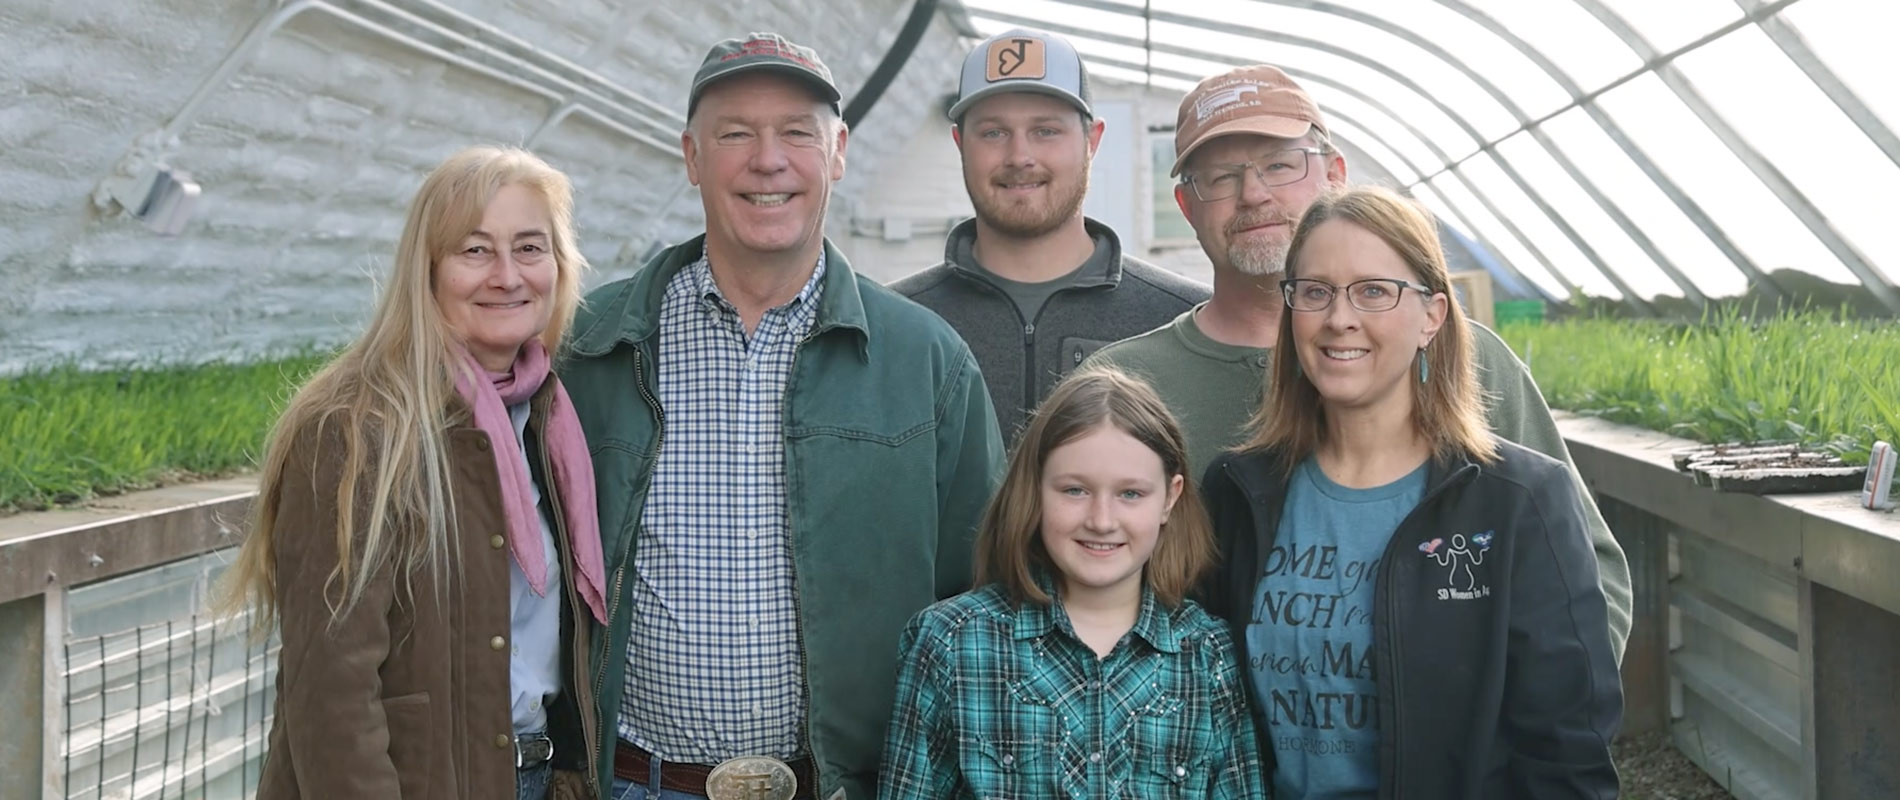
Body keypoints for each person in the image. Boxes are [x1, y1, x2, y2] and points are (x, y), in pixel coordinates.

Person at [556, 32, 1006, 800]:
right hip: (634, 783)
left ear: (836, 154)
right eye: (735, 133)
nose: (769, 160)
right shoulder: (593, 346)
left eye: (797, 132)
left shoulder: (925, 360)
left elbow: (983, 597)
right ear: (693, 158)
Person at [1086, 65, 1632, 660]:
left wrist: (1512, 738)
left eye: (1279, 164)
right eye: (1220, 177)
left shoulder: (1463, 360)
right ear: (1187, 206)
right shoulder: (1127, 388)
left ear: (1335, 175)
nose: (1254, 194)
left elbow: (1586, 576)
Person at [1200, 186, 1622, 797]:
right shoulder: (1240, 490)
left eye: (1374, 291)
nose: (1339, 317)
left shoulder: (1516, 500)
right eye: (1314, 291)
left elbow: (1566, 752)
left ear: (1432, 316)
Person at [219, 146, 608, 800]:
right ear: (426, 272)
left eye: (531, 248)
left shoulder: (549, 419)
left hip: (529, 777)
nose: (508, 276)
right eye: (475, 250)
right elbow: (331, 690)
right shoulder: (356, 427)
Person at [879, 368, 1264, 800]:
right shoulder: (952, 643)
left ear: (1170, 498)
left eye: (1130, 494)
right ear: (1035, 489)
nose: (1101, 520)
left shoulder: (1209, 656)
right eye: (1075, 490)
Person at [890, 28, 1209, 441]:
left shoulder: (1181, 321)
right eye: (993, 132)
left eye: (1046, 131)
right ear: (959, 143)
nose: (1020, 156)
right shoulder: (893, 325)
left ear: (1092, 141)